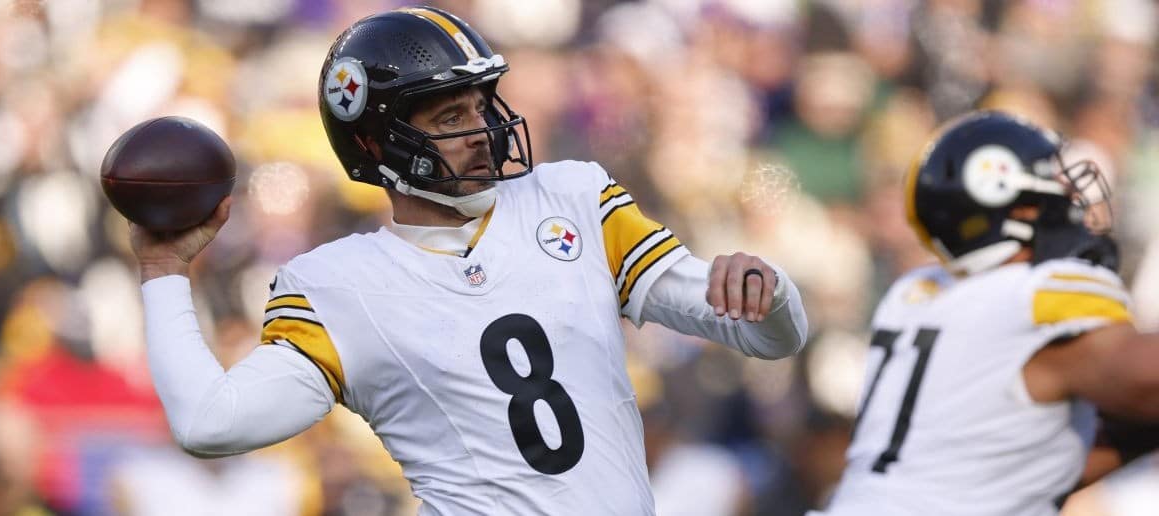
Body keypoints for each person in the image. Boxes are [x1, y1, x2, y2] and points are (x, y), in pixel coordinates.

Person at [132, 7, 808, 515]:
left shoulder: (572, 198)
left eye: (483, 107)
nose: (484, 132)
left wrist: (766, 292)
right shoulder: (336, 286)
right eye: (451, 116)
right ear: (378, 140)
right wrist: (164, 271)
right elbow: (208, 423)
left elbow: (768, 337)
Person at [813, 111, 1159, 516]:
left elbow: (1019, 471)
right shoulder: (1037, 293)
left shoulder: (913, 293)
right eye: (1052, 194)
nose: (1073, 211)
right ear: (1016, 210)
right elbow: (1149, 379)